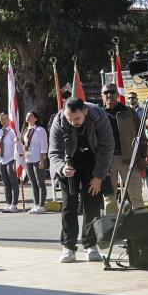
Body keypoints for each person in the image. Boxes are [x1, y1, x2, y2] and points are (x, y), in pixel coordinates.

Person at [48, 97, 115, 263]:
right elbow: (54, 152)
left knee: (92, 203)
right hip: (68, 162)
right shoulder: (59, 120)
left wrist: (99, 176)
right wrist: (62, 168)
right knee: (69, 205)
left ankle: (90, 245)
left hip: (93, 160)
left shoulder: (98, 116)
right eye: (70, 119)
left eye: (77, 118)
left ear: (85, 111)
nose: (73, 122)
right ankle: (68, 247)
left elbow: (107, 147)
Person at [101, 84, 145, 213]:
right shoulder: (99, 114)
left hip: (129, 159)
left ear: (117, 94)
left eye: (112, 92)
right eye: (106, 92)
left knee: (136, 195)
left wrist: (142, 156)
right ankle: (112, 229)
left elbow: (140, 135)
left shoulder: (129, 112)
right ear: (102, 95)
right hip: (106, 162)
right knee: (109, 198)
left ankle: (141, 226)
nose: (109, 95)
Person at [22, 112, 49, 214]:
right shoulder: (26, 130)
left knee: (40, 183)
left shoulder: (39, 130)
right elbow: (25, 145)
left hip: (38, 159)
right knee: (33, 183)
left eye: (31, 116)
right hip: (29, 159)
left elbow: (43, 146)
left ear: (36, 119)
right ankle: (36, 204)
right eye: (27, 116)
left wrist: (42, 160)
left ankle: (42, 205)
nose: (28, 117)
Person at [0, 113, 21, 213]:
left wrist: (16, 160)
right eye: (1, 119)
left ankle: (14, 204)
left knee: (13, 182)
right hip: (1, 159)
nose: (3, 120)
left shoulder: (12, 131)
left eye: (5, 119)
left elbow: (16, 145)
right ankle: (8, 203)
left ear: (9, 119)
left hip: (11, 159)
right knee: (5, 183)